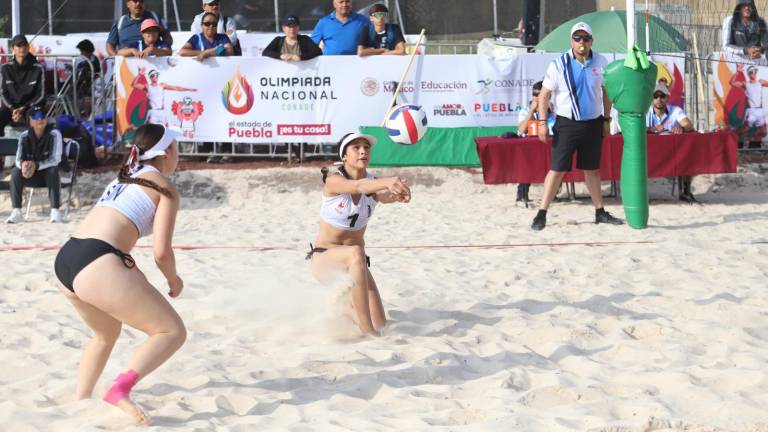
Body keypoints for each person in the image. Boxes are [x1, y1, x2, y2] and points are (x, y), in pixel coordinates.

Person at [53, 123, 186, 425]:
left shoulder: (124, 178)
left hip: (67, 257)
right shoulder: (163, 186)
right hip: (98, 261)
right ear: (166, 152)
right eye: (177, 147)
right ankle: (119, 389)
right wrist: (173, 281)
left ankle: (81, 399)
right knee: (171, 331)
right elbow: (162, 253)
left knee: (105, 333)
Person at [307, 133, 411, 335]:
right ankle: (366, 330)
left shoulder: (373, 182)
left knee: (381, 322)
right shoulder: (333, 179)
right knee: (355, 252)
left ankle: (345, 310)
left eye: (366, 147)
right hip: (326, 259)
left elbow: (382, 195)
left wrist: (399, 195)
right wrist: (387, 181)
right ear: (344, 156)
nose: (363, 151)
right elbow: (357, 186)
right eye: (356, 147)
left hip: (357, 266)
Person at [532, 22, 623, 231]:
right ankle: (542, 213)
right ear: (571, 40)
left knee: (592, 170)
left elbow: (606, 92)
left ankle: (600, 212)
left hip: (593, 122)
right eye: (577, 38)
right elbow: (544, 95)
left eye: (586, 38)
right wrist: (543, 123)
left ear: (592, 40)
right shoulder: (559, 63)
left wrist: (607, 120)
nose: (581, 42)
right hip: (567, 123)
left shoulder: (601, 61)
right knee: (557, 169)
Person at [6, 106, 63, 224]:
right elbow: (18, 159)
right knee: (15, 172)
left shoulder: (55, 134)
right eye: (36, 117)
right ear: (30, 121)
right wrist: (24, 166)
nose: (40, 120)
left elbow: (56, 159)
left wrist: (36, 165)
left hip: (47, 175)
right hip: (30, 175)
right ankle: (17, 211)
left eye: (42, 116)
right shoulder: (24, 136)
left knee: (53, 170)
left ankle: (55, 210)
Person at [646, 83, 697, 203]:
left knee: (687, 154)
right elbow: (636, 129)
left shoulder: (675, 110)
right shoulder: (645, 111)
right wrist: (650, 129)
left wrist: (681, 128)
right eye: (655, 96)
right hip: (650, 152)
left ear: (667, 97)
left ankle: (686, 191)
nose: (659, 99)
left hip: (671, 153)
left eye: (662, 96)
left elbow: (689, 125)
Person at [516, 81, 555, 204]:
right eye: (535, 94)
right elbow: (521, 130)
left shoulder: (555, 111)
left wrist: (552, 112)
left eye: (541, 94)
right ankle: (522, 194)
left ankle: (553, 193)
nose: (537, 97)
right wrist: (532, 111)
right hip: (531, 148)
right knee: (525, 161)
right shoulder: (525, 111)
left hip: (550, 147)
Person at [0, 35, 45, 137]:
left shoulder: (38, 68)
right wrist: (13, 109)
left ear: (28, 47)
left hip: (30, 106)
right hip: (12, 108)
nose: (22, 48)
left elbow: (41, 95)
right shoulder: (5, 68)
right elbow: (3, 93)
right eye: (18, 45)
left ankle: (35, 150)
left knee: (38, 119)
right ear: (12, 49)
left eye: (24, 45)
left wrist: (24, 108)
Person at [130, 69, 197, 126]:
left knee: (165, 129)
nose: (155, 77)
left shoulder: (162, 85)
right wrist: (139, 75)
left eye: (156, 75)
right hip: (152, 112)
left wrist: (189, 89)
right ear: (150, 77)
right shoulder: (147, 87)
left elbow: (176, 88)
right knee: (150, 130)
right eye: (153, 75)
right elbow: (134, 85)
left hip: (161, 112)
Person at [106, 0, 172, 57]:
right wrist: (117, 60)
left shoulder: (155, 17)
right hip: (127, 66)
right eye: (135, 1)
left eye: (141, 1)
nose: (138, 4)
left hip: (156, 66)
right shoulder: (120, 21)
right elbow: (110, 45)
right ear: (128, 4)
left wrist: (159, 50)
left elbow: (168, 38)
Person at [729, 64, 768, 149]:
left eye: (754, 72)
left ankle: (754, 145)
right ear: (749, 74)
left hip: (760, 111)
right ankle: (735, 139)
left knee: (763, 131)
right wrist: (737, 72)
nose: (753, 73)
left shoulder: (760, 82)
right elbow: (732, 83)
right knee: (745, 129)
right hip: (751, 111)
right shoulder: (746, 84)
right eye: (751, 72)